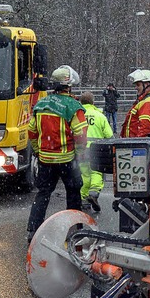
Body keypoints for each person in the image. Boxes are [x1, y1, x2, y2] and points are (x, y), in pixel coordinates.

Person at [26, 65, 88, 243]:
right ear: (69, 86)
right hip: (67, 159)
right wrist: (79, 154)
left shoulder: (41, 104)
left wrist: (38, 152)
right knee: (73, 193)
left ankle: (33, 230)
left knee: (43, 194)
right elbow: (81, 137)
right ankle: (75, 230)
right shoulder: (74, 106)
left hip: (45, 159)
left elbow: (32, 132)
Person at [79, 91, 113, 212]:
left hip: (81, 149)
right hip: (96, 149)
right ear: (93, 102)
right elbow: (109, 135)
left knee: (84, 174)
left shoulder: (78, 115)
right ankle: (93, 194)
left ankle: (83, 200)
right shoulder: (100, 116)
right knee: (97, 173)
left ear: (81, 102)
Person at [120, 69, 150, 138]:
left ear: (147, 84)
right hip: (135, 143)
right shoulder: (146, 100)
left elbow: (145, 128)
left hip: (138, 145)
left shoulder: (148, 102)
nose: (136, 88)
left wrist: (138, 144)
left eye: (138, 85)